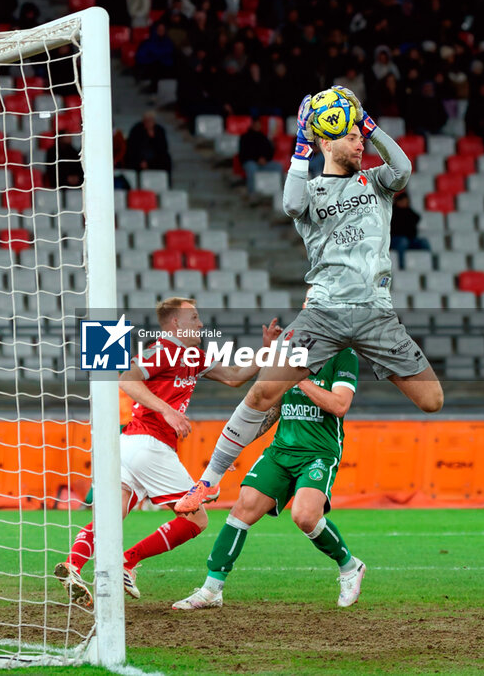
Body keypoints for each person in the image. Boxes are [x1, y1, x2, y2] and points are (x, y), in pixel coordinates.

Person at [175, 88, 444, 515]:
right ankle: (207, 481)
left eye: (361, 135)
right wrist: (302, 138)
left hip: (376, 314)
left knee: (433, 400)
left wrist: (366, 119)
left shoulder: (376, 183)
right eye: (351, 135)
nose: (360, 142)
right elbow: (290, 202)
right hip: (323, 313)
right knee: (264, 391)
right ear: (326, 140)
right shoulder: (310, 191)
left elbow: (403, 166)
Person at [54, 298, 282, 608]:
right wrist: (168, 412)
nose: (201, 324)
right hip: (150, 443)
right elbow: (126, 378)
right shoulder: (162, 349)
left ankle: (73, 565)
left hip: (131, 446)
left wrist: (266, 349)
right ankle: (127, 562)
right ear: (176, 323)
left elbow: (235, 376)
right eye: (194, 318)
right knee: (196, 519)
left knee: (113, 513)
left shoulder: (193, 355)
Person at [173, 348, 365, 610]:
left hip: (318, 453)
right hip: (280, 452)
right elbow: (273, 409)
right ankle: (211, 589)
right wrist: (234, 450)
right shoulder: (291, 354)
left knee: (306, 517)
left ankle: (350, 567)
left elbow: (339, 405)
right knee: (242, 509)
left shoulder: (343, 356)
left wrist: (298, 378)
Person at [238, 119, 282, 194]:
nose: (257, 126)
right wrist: (257, 159)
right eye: (255, 124)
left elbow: (270, 152)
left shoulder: (264, 137)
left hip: (264, 163)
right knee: (252, 168)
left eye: (258, 124)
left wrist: (265, 159)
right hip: (250, 162)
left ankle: (277, 191)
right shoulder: (245, 137)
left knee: (278, 167)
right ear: (252, 125)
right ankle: (252, 193)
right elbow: (244, 153)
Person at [389, 191, 430, 269]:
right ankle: (401, 266)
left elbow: (417, 218)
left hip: (410, 240)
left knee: (424, 242)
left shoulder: (409, 212)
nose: (404, 203)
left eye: (406, 201)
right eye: (402, 201)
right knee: (403, 241)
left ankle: (428, 264)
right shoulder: (392, 212)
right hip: (396, 240)